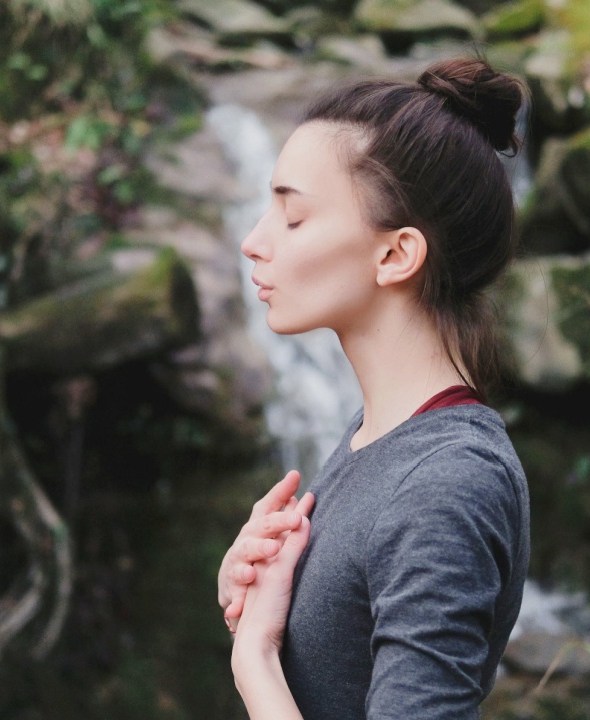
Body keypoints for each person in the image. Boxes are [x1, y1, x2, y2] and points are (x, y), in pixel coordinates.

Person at [216, 56, 532, 720]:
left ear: (396, 255)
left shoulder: (446, 484)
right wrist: (264, 605)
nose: (253, 243)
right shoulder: (379, 438)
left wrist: (255, 662)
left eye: (293, 218)